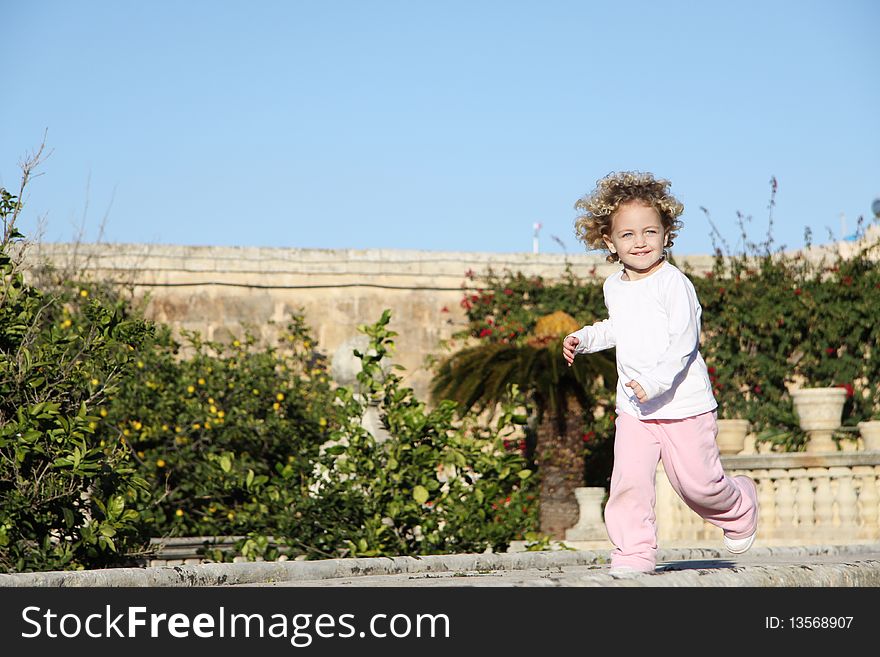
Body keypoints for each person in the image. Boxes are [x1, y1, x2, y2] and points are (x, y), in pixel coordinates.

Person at [561, 171, 758, 576]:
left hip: (684, 405)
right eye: (628, 234)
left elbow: (683, 342)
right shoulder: (614, 287)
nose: (640, 242)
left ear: (667, 234)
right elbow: (620, 328)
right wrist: (585, 338)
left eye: (650, 231)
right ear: (608, 241)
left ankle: (739, 506)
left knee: (697, 486)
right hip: (635, 410)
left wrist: (653, 382)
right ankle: (633, 552)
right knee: (628, 481)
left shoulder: (674, 284)